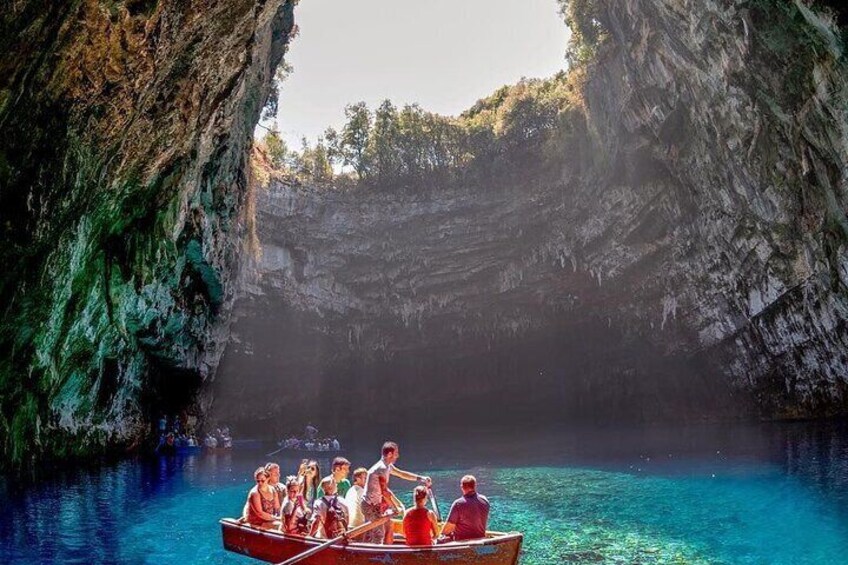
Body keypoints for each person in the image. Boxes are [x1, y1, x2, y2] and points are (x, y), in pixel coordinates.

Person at [361, 441, 431, 545]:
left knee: (389, 525)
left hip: (376, 505)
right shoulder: (382, 468)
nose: (398, 456)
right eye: (396, 453)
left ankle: (387, 553)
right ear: (389, 454)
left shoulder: (388, 466)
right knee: (379, 534)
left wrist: (420, 478)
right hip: (370, 506)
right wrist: (394, 507)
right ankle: (375, 557)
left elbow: (401, 474)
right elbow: (385, 492)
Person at [440, 475, 489, 541]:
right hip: (481, 539)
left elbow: (447, 529)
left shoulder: (458, 504)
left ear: (462, 487)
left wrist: (440, 535)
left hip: (463, 542)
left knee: (442, 537)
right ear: (475, 486)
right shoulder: (485, 500)